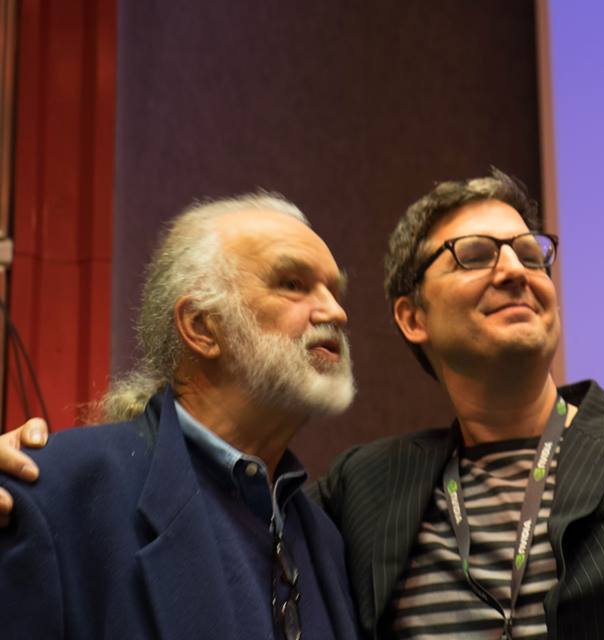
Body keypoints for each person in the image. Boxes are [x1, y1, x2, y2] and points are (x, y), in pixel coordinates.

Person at [2, 100, 604, 639]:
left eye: (530, 252)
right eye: (472, 254)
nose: (514, 267)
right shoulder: (359, 497)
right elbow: (202, 499)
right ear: (412, 318)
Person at [0, 194, 360, 639]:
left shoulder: (326, 538)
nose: (336, 312)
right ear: (201, 326)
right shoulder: (53, 492)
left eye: (334, 291)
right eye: (292, 283)